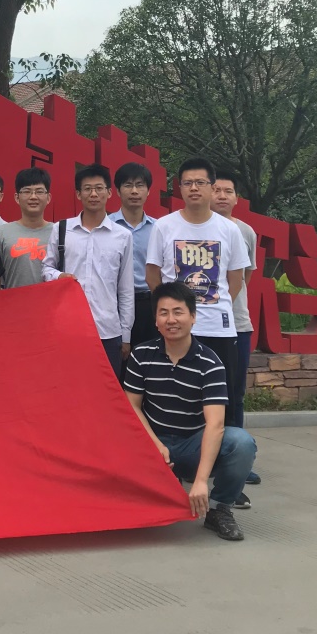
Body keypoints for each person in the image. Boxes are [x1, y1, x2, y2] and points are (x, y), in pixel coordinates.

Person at [123, 281, 256, 542]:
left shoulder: (210, 363)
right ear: (155, 320)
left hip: (193, 444)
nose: (171, 320)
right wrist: (154, 444)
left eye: (178, 312)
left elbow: (215, 425)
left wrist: (201, 481)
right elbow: (131, 406)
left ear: (193, 317)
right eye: (163, 313)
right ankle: (152, 491)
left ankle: (218, 509)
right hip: (152, 445)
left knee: (241, 443)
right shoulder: (141, 355)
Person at [146, 157, 249, 430]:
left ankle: (225, 451)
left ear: (212, 187)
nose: (194, 188)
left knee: (222, 399)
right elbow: (152, 275)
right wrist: (171, 311)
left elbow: (235, 280)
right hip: (176, 329)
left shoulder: (230, 230)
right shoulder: (164, 226)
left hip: (219, 329)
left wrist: (215, 306)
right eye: (188, 183)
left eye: (200, 182)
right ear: (179, 188)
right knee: (176, 399)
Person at [41, 164, 134, 379]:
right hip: (68, 329)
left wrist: (126, 335)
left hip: (107, 331)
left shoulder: (122, 236)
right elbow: (46, 268)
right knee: (68, 385)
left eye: (99, 188)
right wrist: (59, 276)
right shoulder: (61, 229)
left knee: (106, 389)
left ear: (109, 193)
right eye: (87, 189)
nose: (93, 194)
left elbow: (125, 289)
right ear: (78, 194)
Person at [212, 169, 262, 494]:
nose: (221, 196)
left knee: (235, 393)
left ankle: (236, 461)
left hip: (237, 323)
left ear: (236, 198)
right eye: (216, 190)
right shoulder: (193, 229)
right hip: (203, 324)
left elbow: (245, 277)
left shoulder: (246, 232)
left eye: (227, 191)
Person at [111, 162, 159, 349]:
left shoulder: (159, 229)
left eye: (140, 185)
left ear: (148, 191)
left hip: (149, 302)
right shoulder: (106, 227)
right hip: (115, 303)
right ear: (117, 191)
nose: (134, 191)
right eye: (128, 185)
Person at [0, 167, 54, 288]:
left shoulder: (59, 233)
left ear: (48, 198)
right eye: (27, 191)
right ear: (17, 198)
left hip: (51, 300)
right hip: (13, 299)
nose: (33, 197)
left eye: (39, 191)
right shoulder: (1, 233)